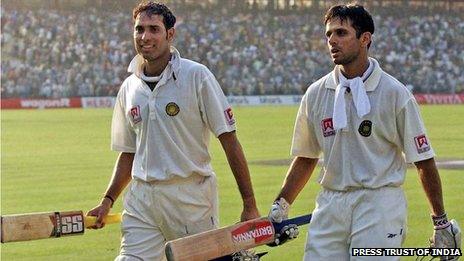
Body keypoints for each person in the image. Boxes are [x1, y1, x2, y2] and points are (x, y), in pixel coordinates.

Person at [267, 4, 461, 260]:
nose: (332, 41)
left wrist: (441, 222)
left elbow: (423, 160)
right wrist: (280, 205)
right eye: (328, 35)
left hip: (379, 204)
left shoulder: (395, 93)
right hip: (329, 204)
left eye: (341, 33)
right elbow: (306, 156)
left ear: (365, 39)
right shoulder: (315, 93)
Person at [87, 2, 260, 260]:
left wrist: (250, 205)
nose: (145, 37)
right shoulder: (129, 87)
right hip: (142, 199)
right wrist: (108, 200)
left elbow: (229, 140)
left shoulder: (196, 76)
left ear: (170, 34)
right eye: (139, 29)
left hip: (190, 197)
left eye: (154, 29)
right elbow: (128, 152)